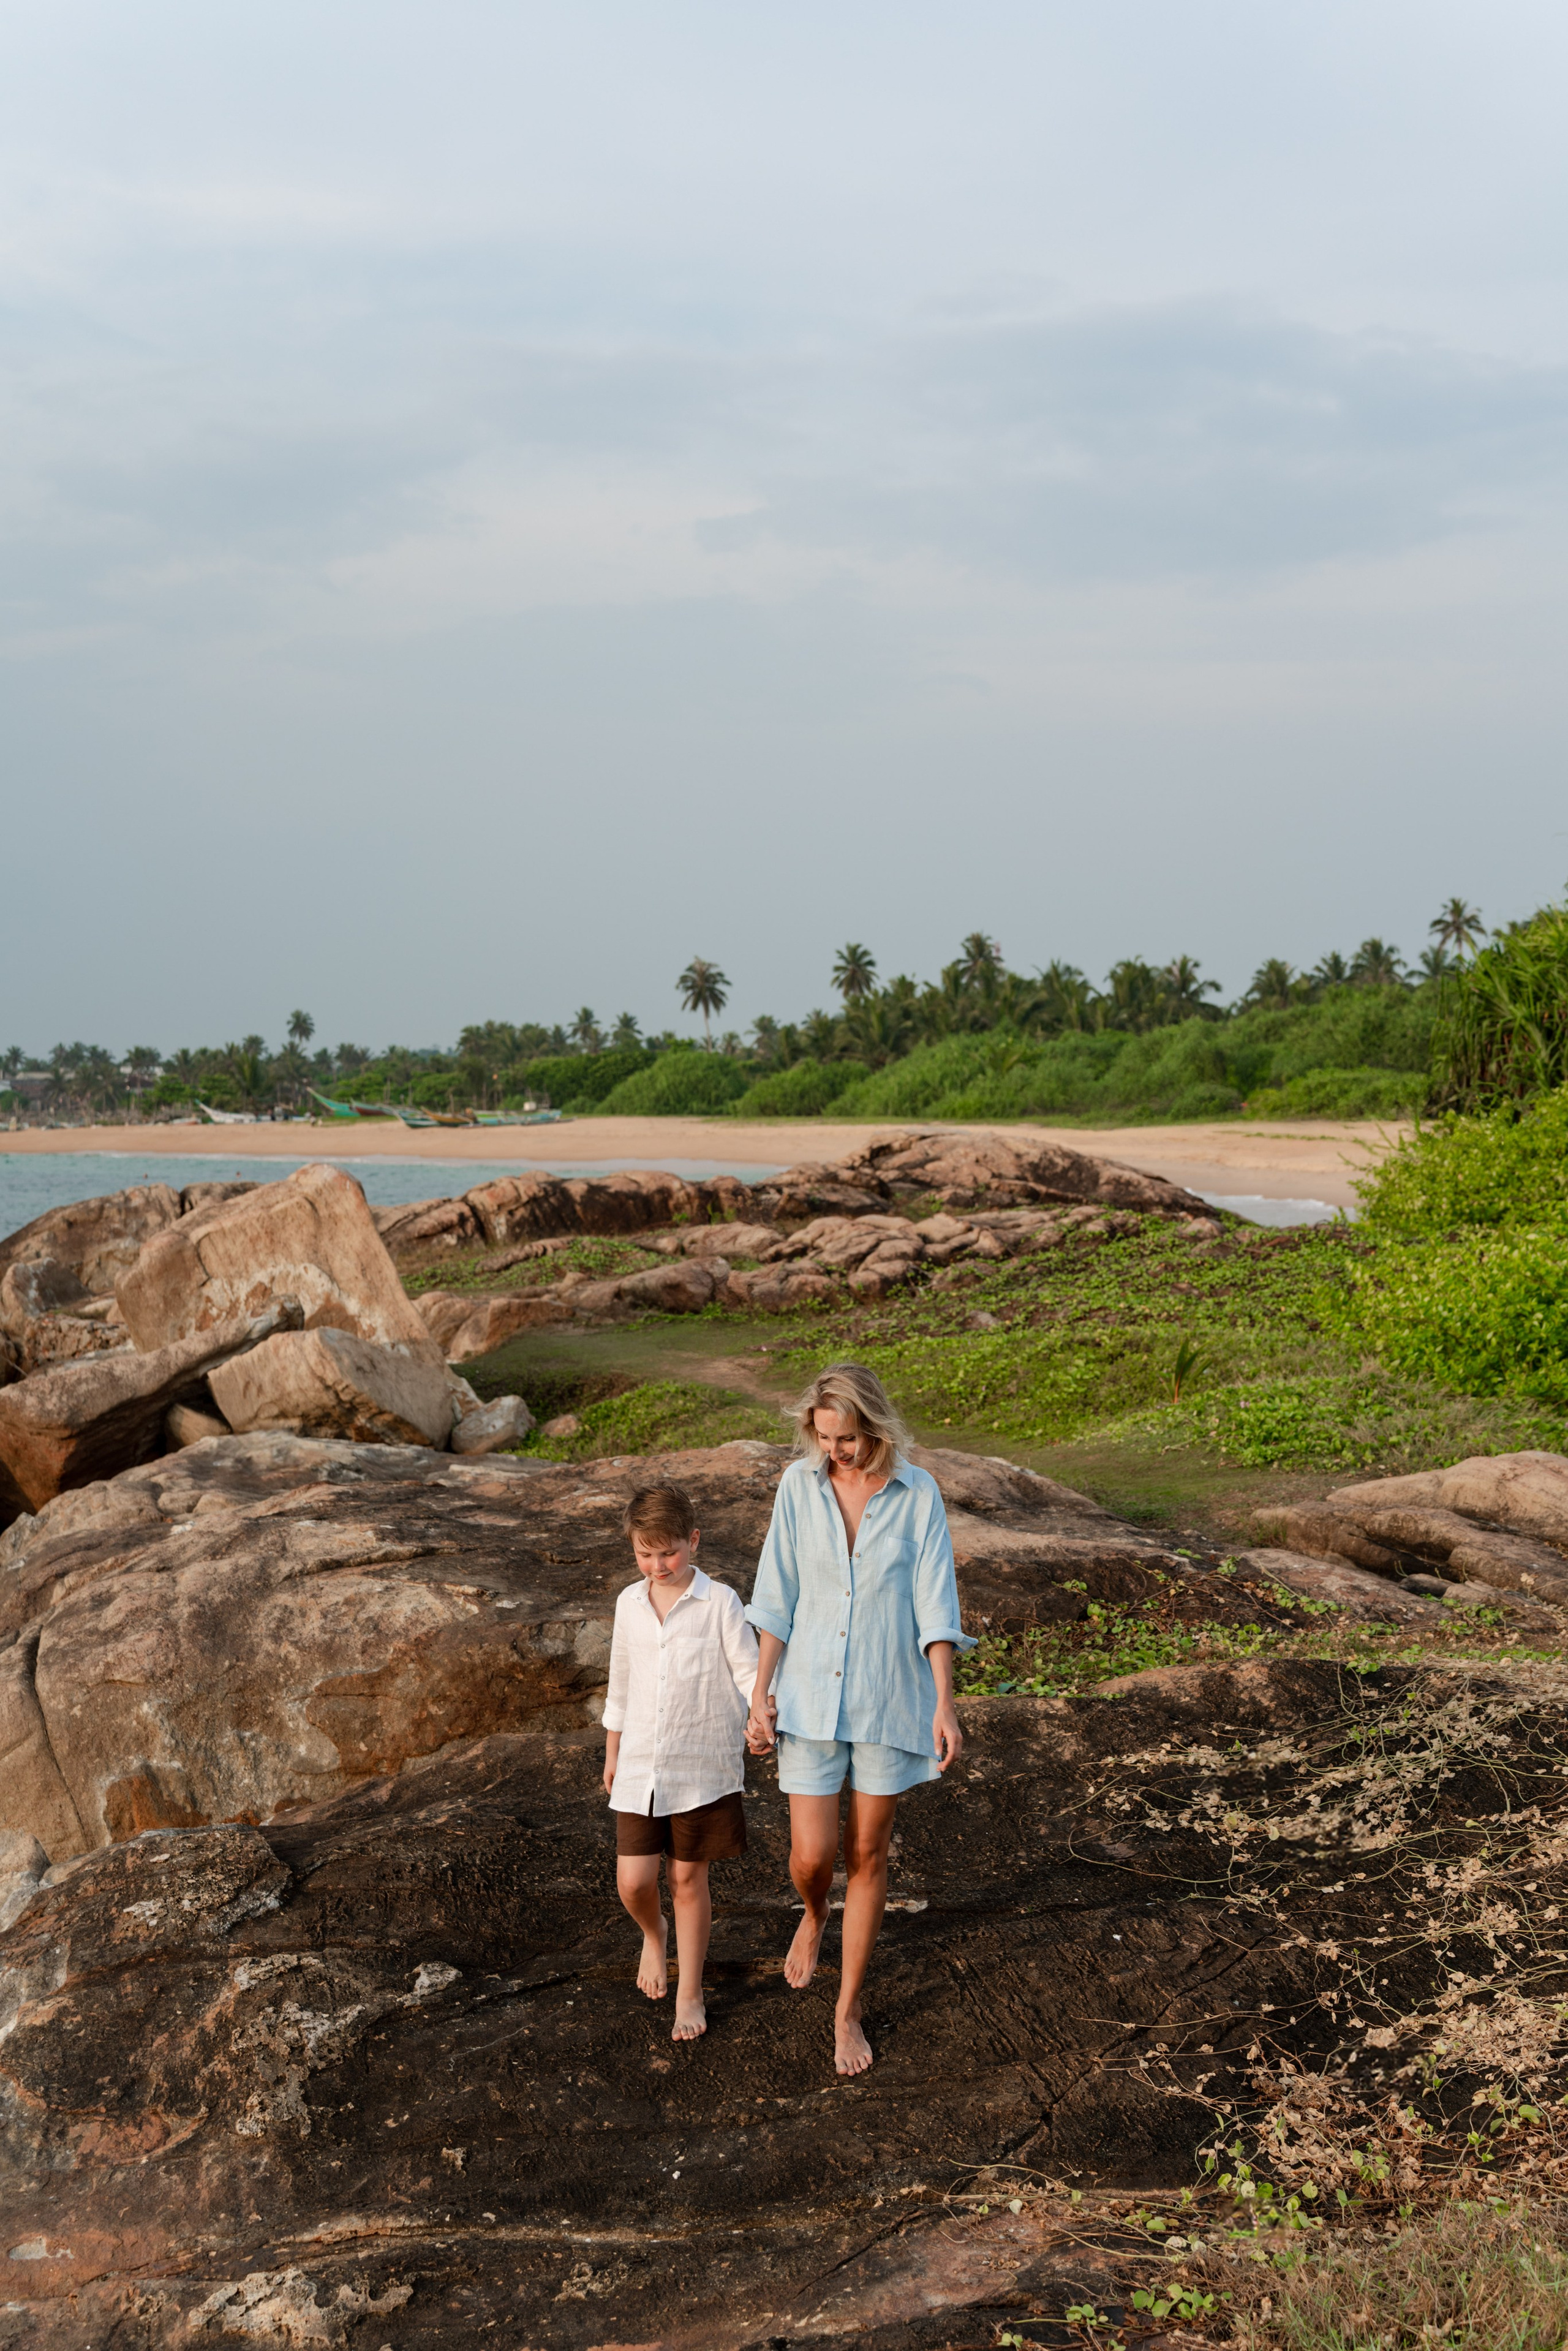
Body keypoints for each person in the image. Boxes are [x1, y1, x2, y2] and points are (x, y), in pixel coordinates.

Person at [745, 1363, 973, 2076]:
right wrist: (759, 1691)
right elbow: (775, 1595)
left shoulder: (918, 1494)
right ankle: (814, 1914)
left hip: (888, 1696)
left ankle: (847, 2008)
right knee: (812, 1859)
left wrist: (945, 1701)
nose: (835, 1451)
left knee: (867, 1855)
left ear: (872, 1426)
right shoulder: (796, 1486)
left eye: (846, 1438)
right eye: (824, 1438)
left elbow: (936, 1605)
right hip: (809, 1695)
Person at [603, 1481, 760, 2042]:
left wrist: (763, 1715)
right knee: (634, 1883)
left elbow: (747, 1671)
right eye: (645, 1554)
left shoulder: (721, 1602)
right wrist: (613, 1751)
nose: (657, 1564)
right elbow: (621, 1681)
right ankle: (654, 1933)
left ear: (693, 1541)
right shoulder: (628, 1602)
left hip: (702, 1765)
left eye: (668, 1552)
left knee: (688, 1878)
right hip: (641, 1763)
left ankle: (690, 1991)